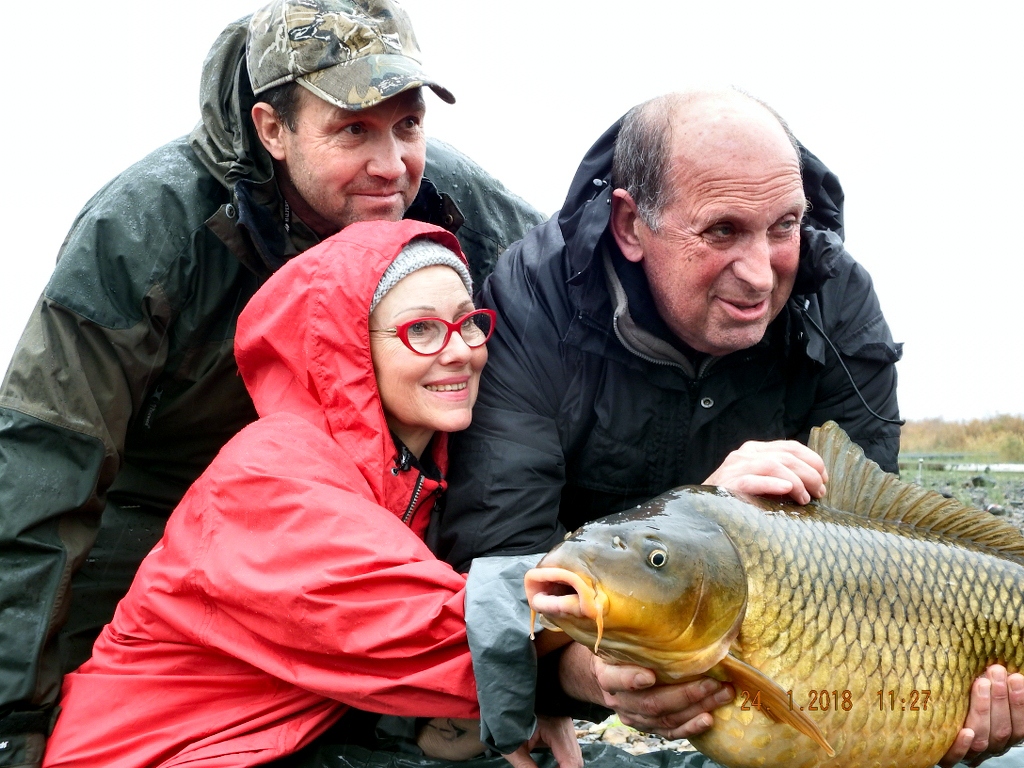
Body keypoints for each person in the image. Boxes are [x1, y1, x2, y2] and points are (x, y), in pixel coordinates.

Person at [0, 1, 543, 764]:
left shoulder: (443, 194)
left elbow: (577, 312)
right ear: (272, 130)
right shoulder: (146, 227)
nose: (390, 164)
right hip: (163, 509)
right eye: (353, 129)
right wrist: (12, 723)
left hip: (370, 504)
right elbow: (44, 461)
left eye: (408, 125)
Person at [438, 90, 1024, 766]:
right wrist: (580, 678)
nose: (759, 272)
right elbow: (499, 564)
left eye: (784, 227)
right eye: (722, 232)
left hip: (793, 634)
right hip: (639, 580)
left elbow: (877, 538)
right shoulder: (531, 301)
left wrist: (936, 715)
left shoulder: (835, 300)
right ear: (630, 225)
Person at [40, 220, 582, 768]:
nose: (461, 351)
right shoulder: (271, 474)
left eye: (469, 323)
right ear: (346, 346)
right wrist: (599, 634)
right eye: (421, 329)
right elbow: (422, 631)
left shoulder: (412, 479)